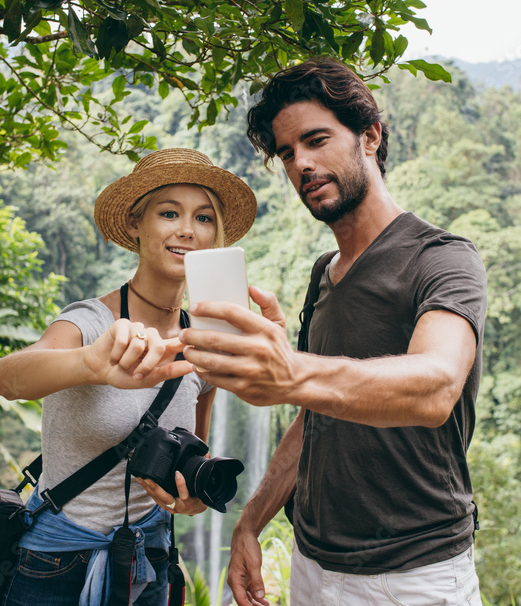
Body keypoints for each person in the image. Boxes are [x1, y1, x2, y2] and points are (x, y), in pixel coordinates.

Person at [179, 58, 488, 606]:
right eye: (288, 153)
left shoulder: (442, 259)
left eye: (317, 140)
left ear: (370, 135)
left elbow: (437, 386)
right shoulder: (324, 272)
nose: (302, 163)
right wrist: (251, 521)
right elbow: (314, 414)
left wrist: (293, 369)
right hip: (312, 564)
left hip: (411, 575)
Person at [0, 148, 257, 606]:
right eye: (169, 213)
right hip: (57, 562)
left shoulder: (204, 343)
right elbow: (7, 378)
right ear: (135, 224)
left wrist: (189, 496)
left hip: (147, 559)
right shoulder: (91, 324)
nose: (188, 230)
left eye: (204, 218)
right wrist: (91, 363)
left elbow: (194, 449)